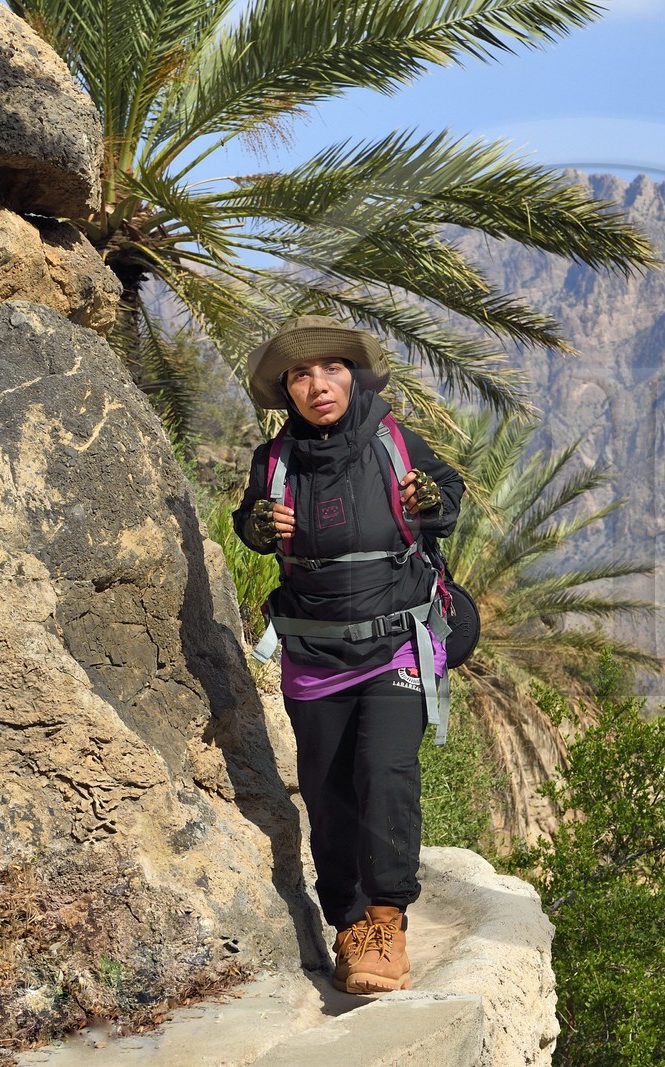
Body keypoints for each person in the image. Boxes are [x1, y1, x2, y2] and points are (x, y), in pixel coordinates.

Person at [233, 315, 464, 994]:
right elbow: (250, 524)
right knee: (329, 795)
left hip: (397, 644)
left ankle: (387, 916)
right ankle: (349, 922)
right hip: (313, 655)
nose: (317, 384)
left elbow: (449, 495)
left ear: (353, 375)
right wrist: (254, 523)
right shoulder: (273, 463)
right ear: (287, 390)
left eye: (331, 368)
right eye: (300, 374)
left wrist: (430, 498)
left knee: (386, 772)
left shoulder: (395, 440)